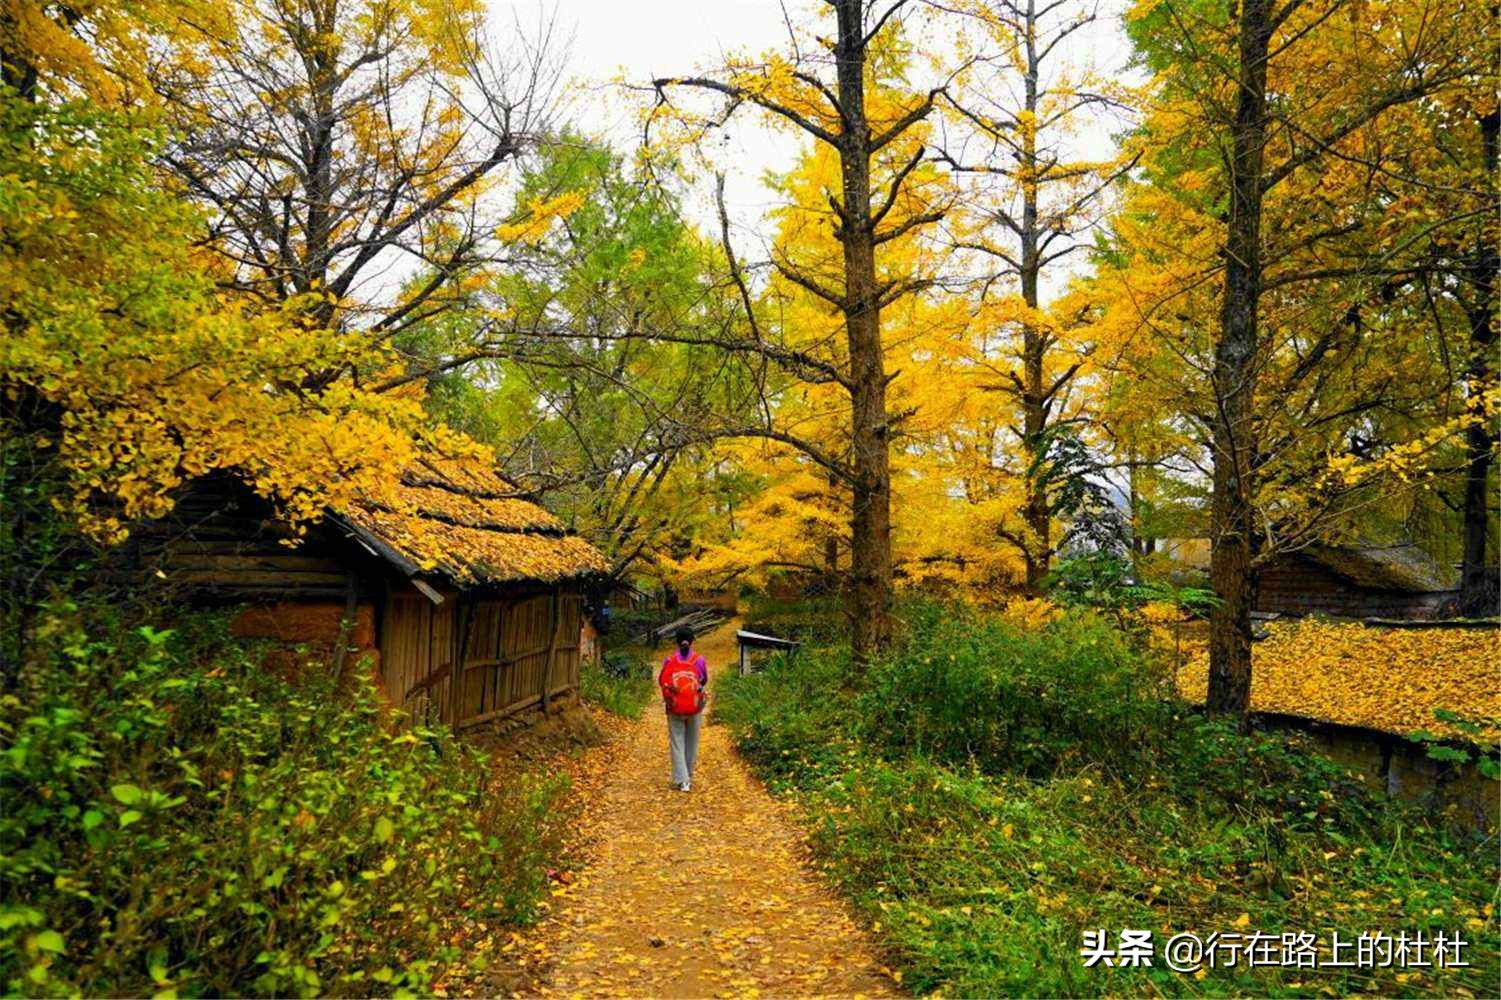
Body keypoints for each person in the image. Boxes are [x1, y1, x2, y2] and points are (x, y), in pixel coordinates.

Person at [658, 627, 708, 792]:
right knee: (692, 742)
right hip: (694, 706)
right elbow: (703, 681)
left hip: (674, 707)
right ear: (692, 640)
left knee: (677, 742)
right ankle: (688, 775)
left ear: (677, 642)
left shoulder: (669, 660)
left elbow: (662, 681)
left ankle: (682, 780)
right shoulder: (699, 660)